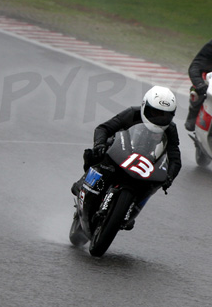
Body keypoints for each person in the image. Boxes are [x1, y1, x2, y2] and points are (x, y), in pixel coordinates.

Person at [70, 86, 182, 228]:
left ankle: (132, 208)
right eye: (154, 113)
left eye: (164, 116)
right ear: (144, 107)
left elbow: (175, 157)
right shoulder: (132, 114)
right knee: (95, 153)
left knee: (154, 182)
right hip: (122, 148)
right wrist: (99, 145)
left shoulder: (171, 129)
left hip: (145, 162)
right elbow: (103, 129)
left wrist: (170, 176)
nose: (159, 119)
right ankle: (84, 181)